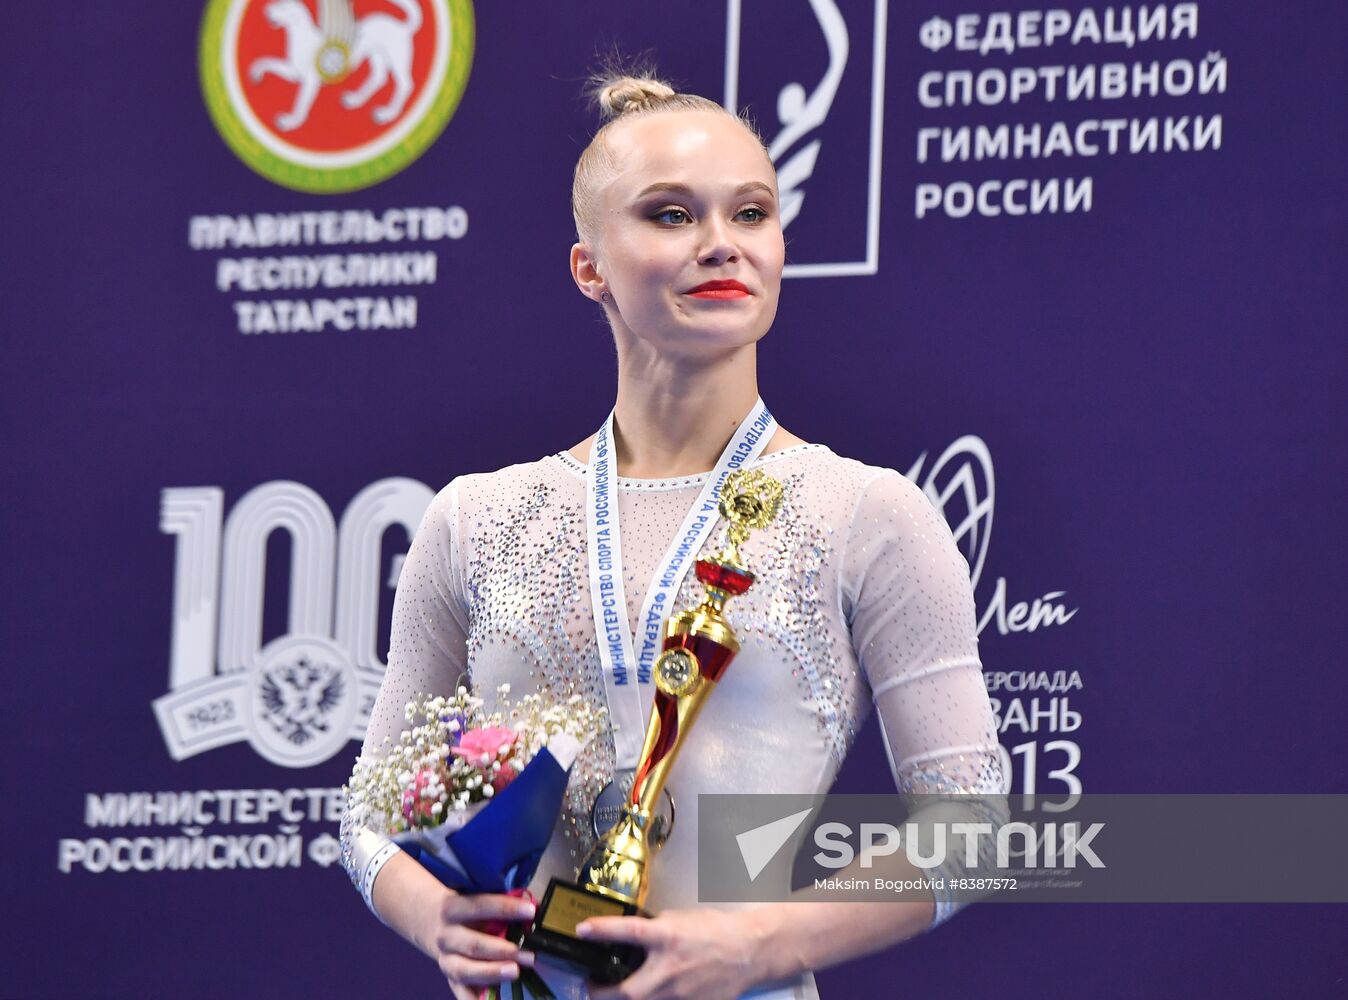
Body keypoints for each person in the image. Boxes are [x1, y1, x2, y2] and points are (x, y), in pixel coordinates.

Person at [341, 71, 1004, 1000]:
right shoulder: (474, 520)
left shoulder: (868, 514)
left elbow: (973, 824)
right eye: (669, 215)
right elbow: (367, 812)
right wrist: (432, 916)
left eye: (751, 213)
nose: (721, 245)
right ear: (589, 267)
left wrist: (760, 945)